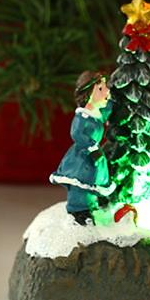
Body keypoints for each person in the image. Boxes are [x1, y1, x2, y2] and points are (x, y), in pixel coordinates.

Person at [50, 71, 114, 224]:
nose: (106, 91)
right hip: (83, 157)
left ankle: (92, 205)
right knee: (81, 182)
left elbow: (107, 111)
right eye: (100, 89)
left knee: (93, 181)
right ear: (89, 94)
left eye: (105, 87)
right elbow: (77, 133)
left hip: (95, 154)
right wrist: (91, 148)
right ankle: (78, 210)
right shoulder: (83, 116)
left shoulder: (97, 112)